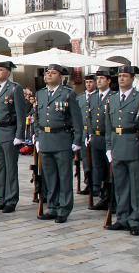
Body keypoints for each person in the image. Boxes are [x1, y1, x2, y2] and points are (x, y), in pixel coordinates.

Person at [105, 65, 139, 236]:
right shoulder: (112, 99)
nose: (121, 79)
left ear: (132, 78)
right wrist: (108, 147)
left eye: (125, 76)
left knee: (136, 186)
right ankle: (122, 218)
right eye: (119, 76)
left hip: (135, 145)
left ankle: (136, 221)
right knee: (120, 185)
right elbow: (108, 127)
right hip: (117, 144)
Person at [33, 65, 83, 223]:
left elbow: (77, 120)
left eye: (53, 73)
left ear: (61, 77)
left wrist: (77, 141)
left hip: (62, 139)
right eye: (47, 73)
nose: (48, 75)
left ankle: (64, 208)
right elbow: (36, 117)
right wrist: (37, 136)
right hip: (45, 139)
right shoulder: (40, 94)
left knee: (64, 177)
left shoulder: (68, 94)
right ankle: (53, 206)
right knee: (50, 177)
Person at [0, 61, 26, 213]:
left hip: (9, 131)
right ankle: (1, 197)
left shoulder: (15, 88)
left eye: (1, 70)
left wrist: (19, 135)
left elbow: (21, 113)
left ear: (8, 72)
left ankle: (11, 199)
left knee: (10, 167)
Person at [87, 69, 116, 211]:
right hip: (96, 138)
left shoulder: (114, 96)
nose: (98, 81)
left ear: (109, 81)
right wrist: (90, 134)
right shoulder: (93, 97)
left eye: (102, 79)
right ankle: (104, 196)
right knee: (99, 169)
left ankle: (113, 198)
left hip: (108, 137)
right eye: (97, 79)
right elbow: (90, 118)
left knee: (111, 170)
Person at [77, 74, 97, 195]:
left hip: (95, 132)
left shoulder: (98, 97)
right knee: (85, 160)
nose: (88, 84)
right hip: (84, 132)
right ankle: (88, 183)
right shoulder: (80, 98)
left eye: (91, 82)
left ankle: (96, 184)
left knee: (95, 160)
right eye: (87, 82)